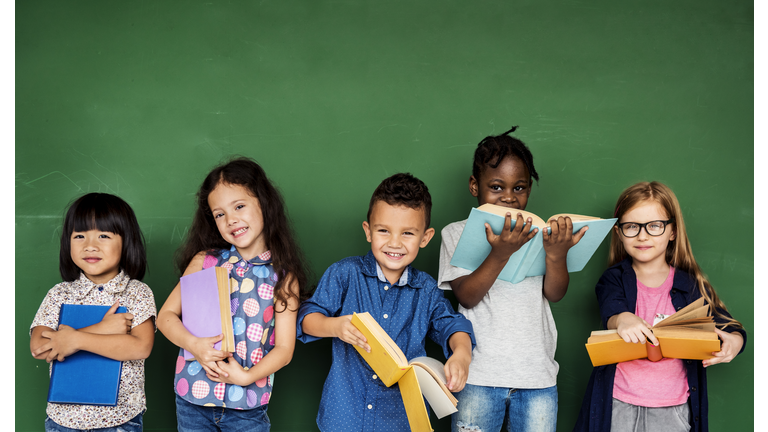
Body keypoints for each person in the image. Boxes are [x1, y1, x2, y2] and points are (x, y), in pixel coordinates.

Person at [297, 172, 475, 432]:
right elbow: (307, 318)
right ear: (368, 231)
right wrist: (334, 327)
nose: (394, 243)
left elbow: (452, 324)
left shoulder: (425, 289)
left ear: (425, 238)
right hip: (344, 417)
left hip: (399, 420)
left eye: (407, 233)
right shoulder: (344, 274)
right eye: (384, 231)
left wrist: (462, 355)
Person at [438, 126, 587, 432]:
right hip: (479, 376)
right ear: (474, 185)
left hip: (537, 377)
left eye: (519, 188)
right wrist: (500, 253)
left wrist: (557, 255)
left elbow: (555, 293)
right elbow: (466, 295)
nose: (508, 197)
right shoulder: (455, 233)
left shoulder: (540, 233)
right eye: (496, 187)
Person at [573, 181, 746, 432]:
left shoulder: (690, 284)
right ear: (619, 232)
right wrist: (623, 319)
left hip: (673, 410)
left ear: (672, 231)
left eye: (654, 226)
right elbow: (611, 309)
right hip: (618, 403)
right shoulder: (614, 279)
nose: (642, 236)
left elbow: (729, 326)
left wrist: (735, 342)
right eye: (632, 227)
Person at [157, 157, 309, 431]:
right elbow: (165, 316)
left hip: (247, 406)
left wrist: (246, 376)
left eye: (239, 206)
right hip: (192, 398)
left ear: (264, 203)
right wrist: (194, 345)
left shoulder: (284, 278)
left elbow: (284, 350)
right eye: (219, 214)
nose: (231, 220)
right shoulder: (205, 261)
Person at [30, 193, 156, 432]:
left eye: (103, 235)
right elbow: (40, 347)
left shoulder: (137, 292)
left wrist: (75, 339)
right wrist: (101, 329)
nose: (90, 245)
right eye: (79, 236)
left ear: (126, 241)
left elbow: (141, 347)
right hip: (62, 421)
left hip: (119, 421)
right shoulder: (59, 294)